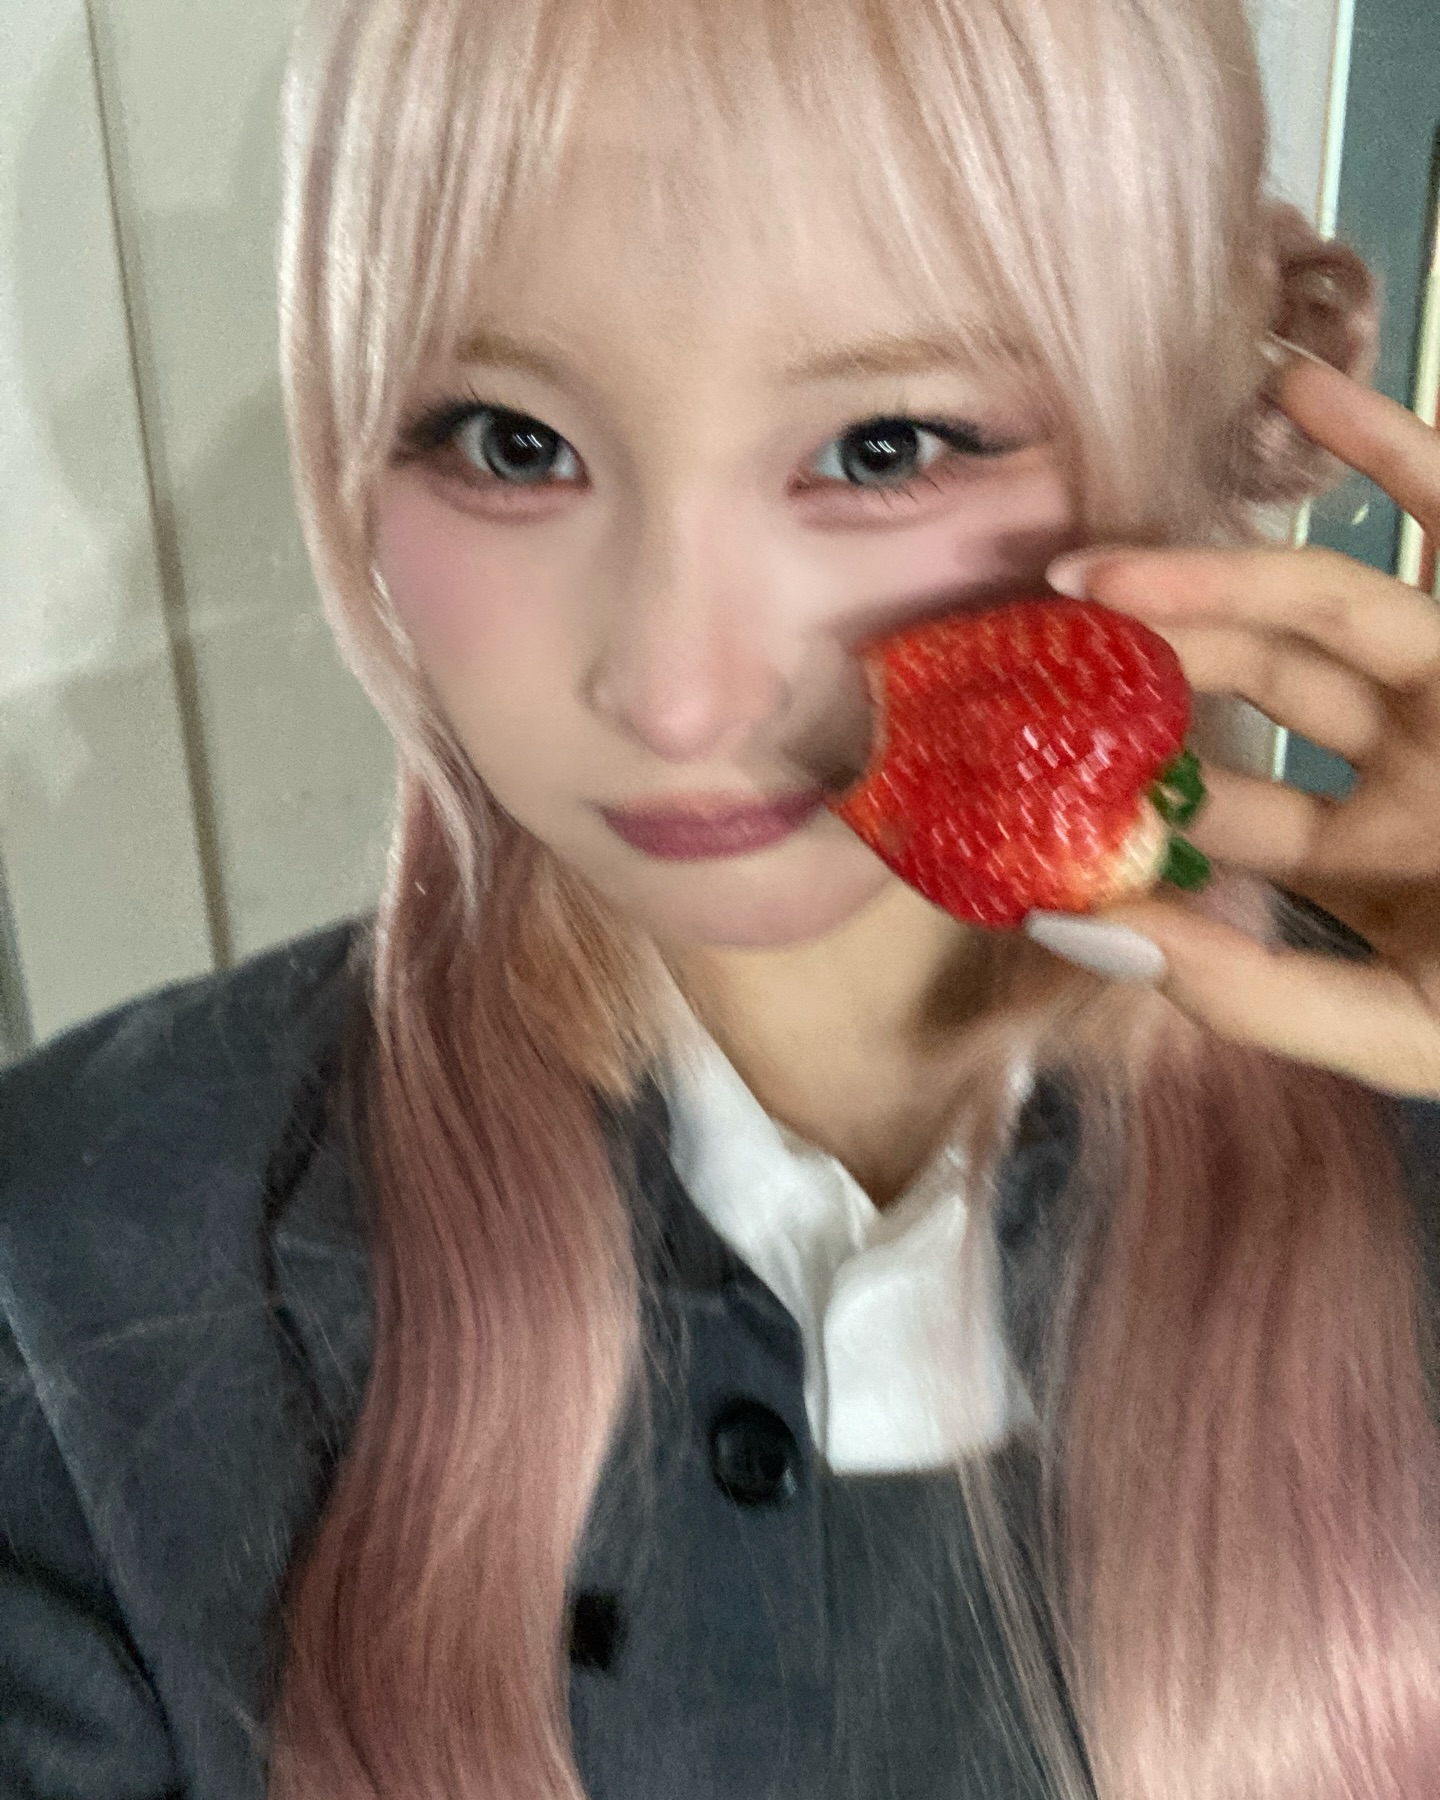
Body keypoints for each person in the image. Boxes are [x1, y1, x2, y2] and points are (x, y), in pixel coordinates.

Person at [3, 0, 1440, 1795]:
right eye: (508, 441)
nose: (675, 696)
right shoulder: (71, 1269)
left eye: (886, 446)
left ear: (1186, 409)